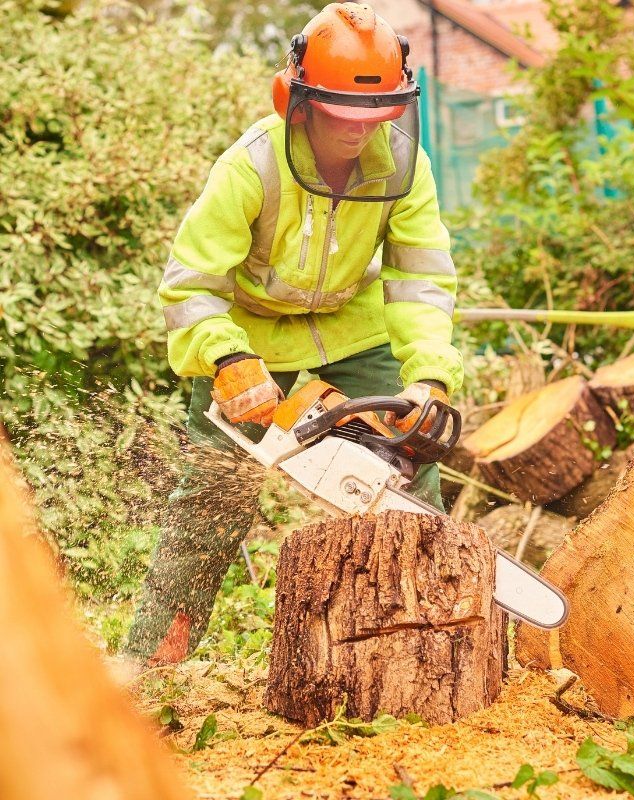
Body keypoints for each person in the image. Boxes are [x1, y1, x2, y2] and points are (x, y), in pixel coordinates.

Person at [123, 1, 463, 667]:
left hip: (353, 334)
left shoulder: (403, 164)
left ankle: (430, 644)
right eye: (343, 115)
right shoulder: (252, 165)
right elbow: (190, 284)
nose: (359, 132)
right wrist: (224, 356)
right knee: (214, 496)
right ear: (299, 100)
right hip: (250, 340)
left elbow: (421, 280)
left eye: (377, 116)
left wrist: (429, 377)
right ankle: (151, 658)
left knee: (409, 469)